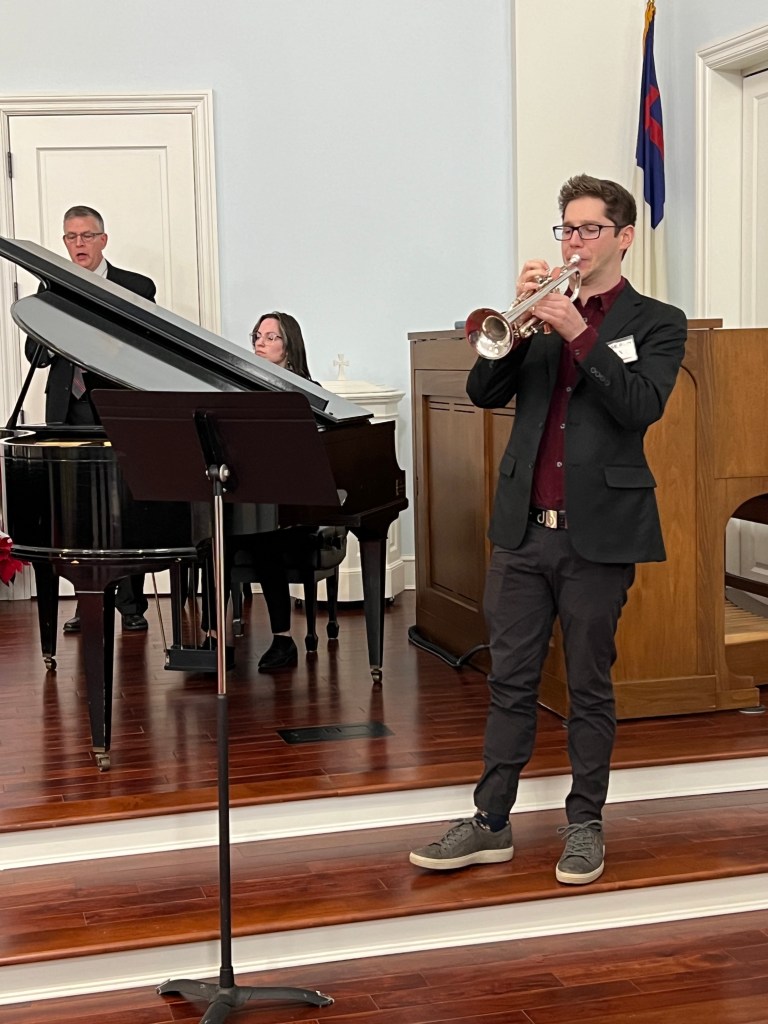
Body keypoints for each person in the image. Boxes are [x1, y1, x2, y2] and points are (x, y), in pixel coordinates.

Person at [409, 174, 687, 885]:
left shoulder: (656, 321)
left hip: (599, 535)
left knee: (588, 686)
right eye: (566, 229)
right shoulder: (536, 315)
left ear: (624, 237)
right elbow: (482, 392)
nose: (574, 242)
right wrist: (518, 318)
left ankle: (585, 823)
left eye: (589, 229)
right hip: (524, 533)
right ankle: (490, 822)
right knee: (509, 681)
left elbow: (640, 406)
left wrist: (579, 332)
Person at [24, 205, 157, 634]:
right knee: (77, 512)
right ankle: (90, 602)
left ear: (103, 240)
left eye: (86, 236)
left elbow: (149, 348)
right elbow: (35, 355)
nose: (78, 244)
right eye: (70, 237)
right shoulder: (51, 285)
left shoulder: (135, 287)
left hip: (116, 408)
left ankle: (131, 605)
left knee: (126, 509)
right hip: (68, 410)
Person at [201, 311, 312, 671]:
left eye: (270, 337)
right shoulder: (242, 386)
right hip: (250, 498)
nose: (260, 343)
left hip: (294, 508)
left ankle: (283, 640)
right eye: (257, 336)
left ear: (289, 346)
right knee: (215, 541)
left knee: (266, 540)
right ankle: (215, 639)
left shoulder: (304, 393)